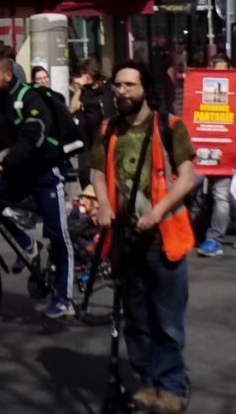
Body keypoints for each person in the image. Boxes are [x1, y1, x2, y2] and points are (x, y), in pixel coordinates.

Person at [91, 60, 196, 414]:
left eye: (128, 86)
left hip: (163, 241)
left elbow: (187, 177)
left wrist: (157, 211)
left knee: (166, 322)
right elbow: (96, 172)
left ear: (145, 89)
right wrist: (104, 204)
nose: (120, 92)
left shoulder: (169, 126)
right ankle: (147, 383)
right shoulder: (108, 128)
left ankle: (170, 387)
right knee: (136, 319)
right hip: (125, 242)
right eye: (117, 85)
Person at [0, 52, 75, 319]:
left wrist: (3, 164)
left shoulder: (30, 98)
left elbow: (34, 139)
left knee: (58, 235)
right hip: (19, 172)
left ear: (8, 75)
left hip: (44, 172)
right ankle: (28, 245)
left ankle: (65, 299)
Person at [195, 55, 236, 256]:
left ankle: (214, 239)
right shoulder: (200, 87)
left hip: (228, 146)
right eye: (215, 71)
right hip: (204, 146)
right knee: (211, 190)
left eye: (223, 71)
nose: (219, 76)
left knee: (220, 193)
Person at [70, 59, 114, 189]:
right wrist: (78, 90)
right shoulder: (84, 91)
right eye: (82, 73)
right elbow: (73, 109)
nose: (83, 77)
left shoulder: (106, 87)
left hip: (105, 133)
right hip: (88, 136)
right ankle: (88, 193)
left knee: (106, 169)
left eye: (85, 73)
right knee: (85, 171)